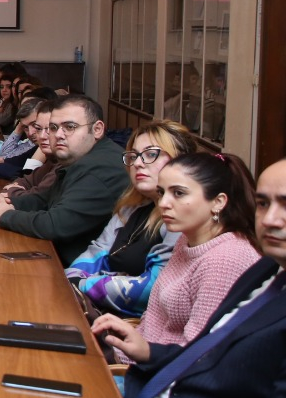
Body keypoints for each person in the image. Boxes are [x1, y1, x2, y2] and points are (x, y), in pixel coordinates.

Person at [93, 158, 286, 398]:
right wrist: (150, 351)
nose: (271, 219)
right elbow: (209, 355)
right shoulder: (269, 270)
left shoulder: (235, 259)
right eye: (264, 204)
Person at [97, 153, 260, 363]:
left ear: (218, 202)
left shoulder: (227, 258)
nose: (163, 203)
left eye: (179, 193)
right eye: (161, 192)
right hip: (144, 363)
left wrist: (131, 354)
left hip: (165, 380)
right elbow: (155, 321)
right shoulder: (187, 239)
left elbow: (198, 356)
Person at [69, 120, 202, 316]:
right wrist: (74, 278)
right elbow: (97, 251)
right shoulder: (131, 208)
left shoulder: (182, 217)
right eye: (134, 156)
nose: (138, 163)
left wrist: (84, 284)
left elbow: (153, 288)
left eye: (150, 154)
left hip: (136, 328)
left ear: (181, 161)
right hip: (98, 310)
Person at [0, 94, 130, 263]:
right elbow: (44, 198)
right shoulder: (80, 158)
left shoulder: (103, 167)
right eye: (53, 127)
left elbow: (56, 225)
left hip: (80, 275)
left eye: (70, 127)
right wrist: (6, 203)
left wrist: (4, 215)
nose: (58, 134)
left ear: (97, 129)